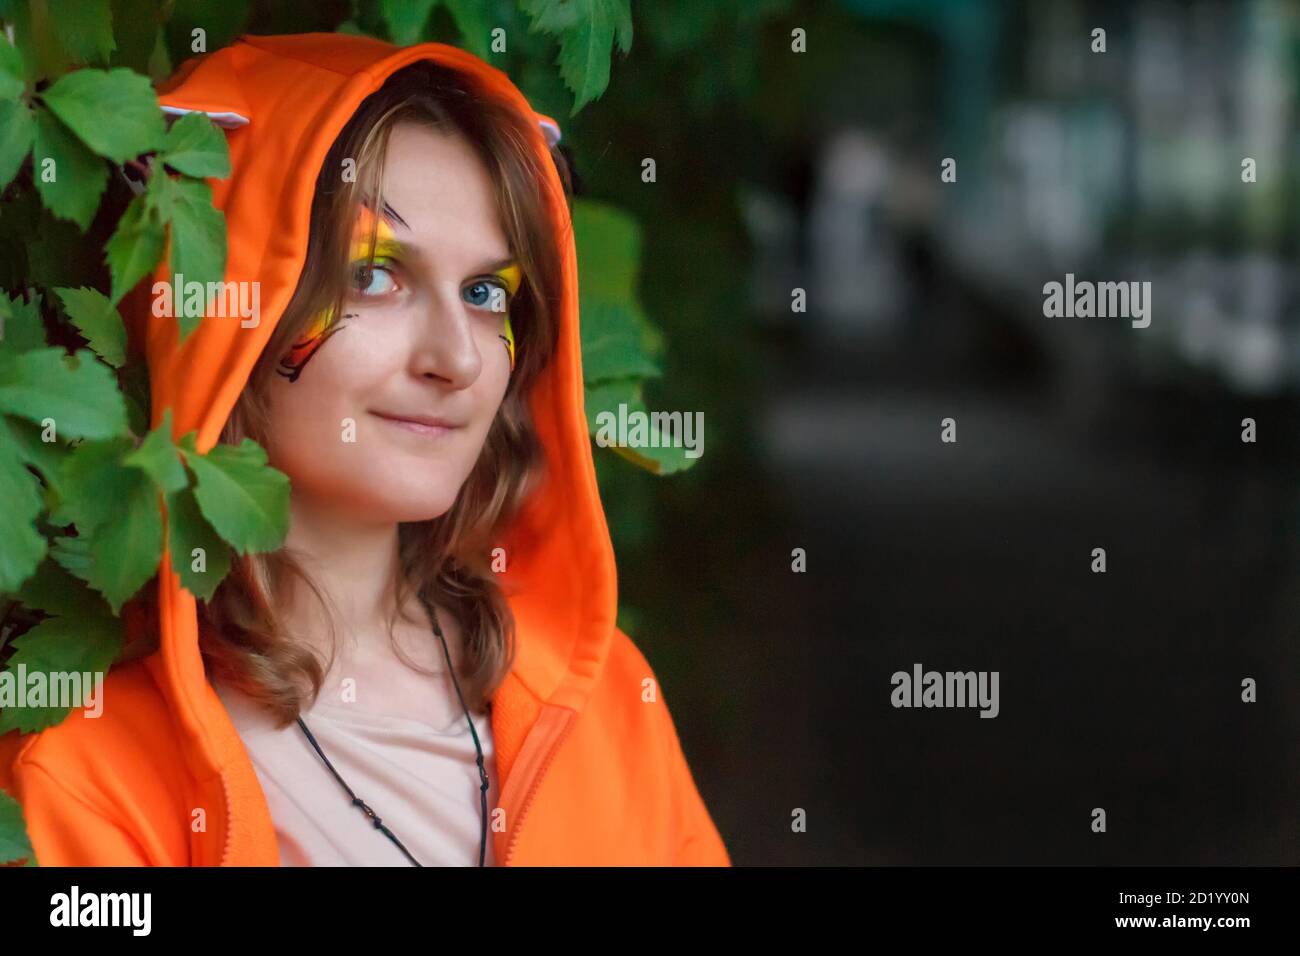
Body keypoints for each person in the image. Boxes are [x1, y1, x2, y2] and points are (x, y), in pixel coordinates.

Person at [0, 32, 730, 866]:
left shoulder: (602, 698)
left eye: (487, 293)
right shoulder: (86, 774)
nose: (455, 358)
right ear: (226, 313)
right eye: (374, 276)